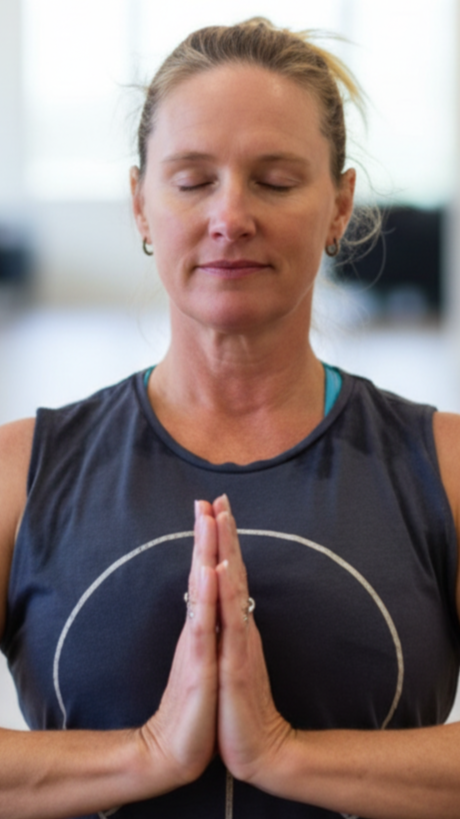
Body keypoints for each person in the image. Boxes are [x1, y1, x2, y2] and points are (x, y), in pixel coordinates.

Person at [0, 16, 459, 819]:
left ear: (339, 205)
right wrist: (147, 753)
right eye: (191, 180)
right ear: (140, 204)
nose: (231, 215)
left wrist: (284, 752)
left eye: (276, 180)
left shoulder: (443, 468)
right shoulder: (22, 473)